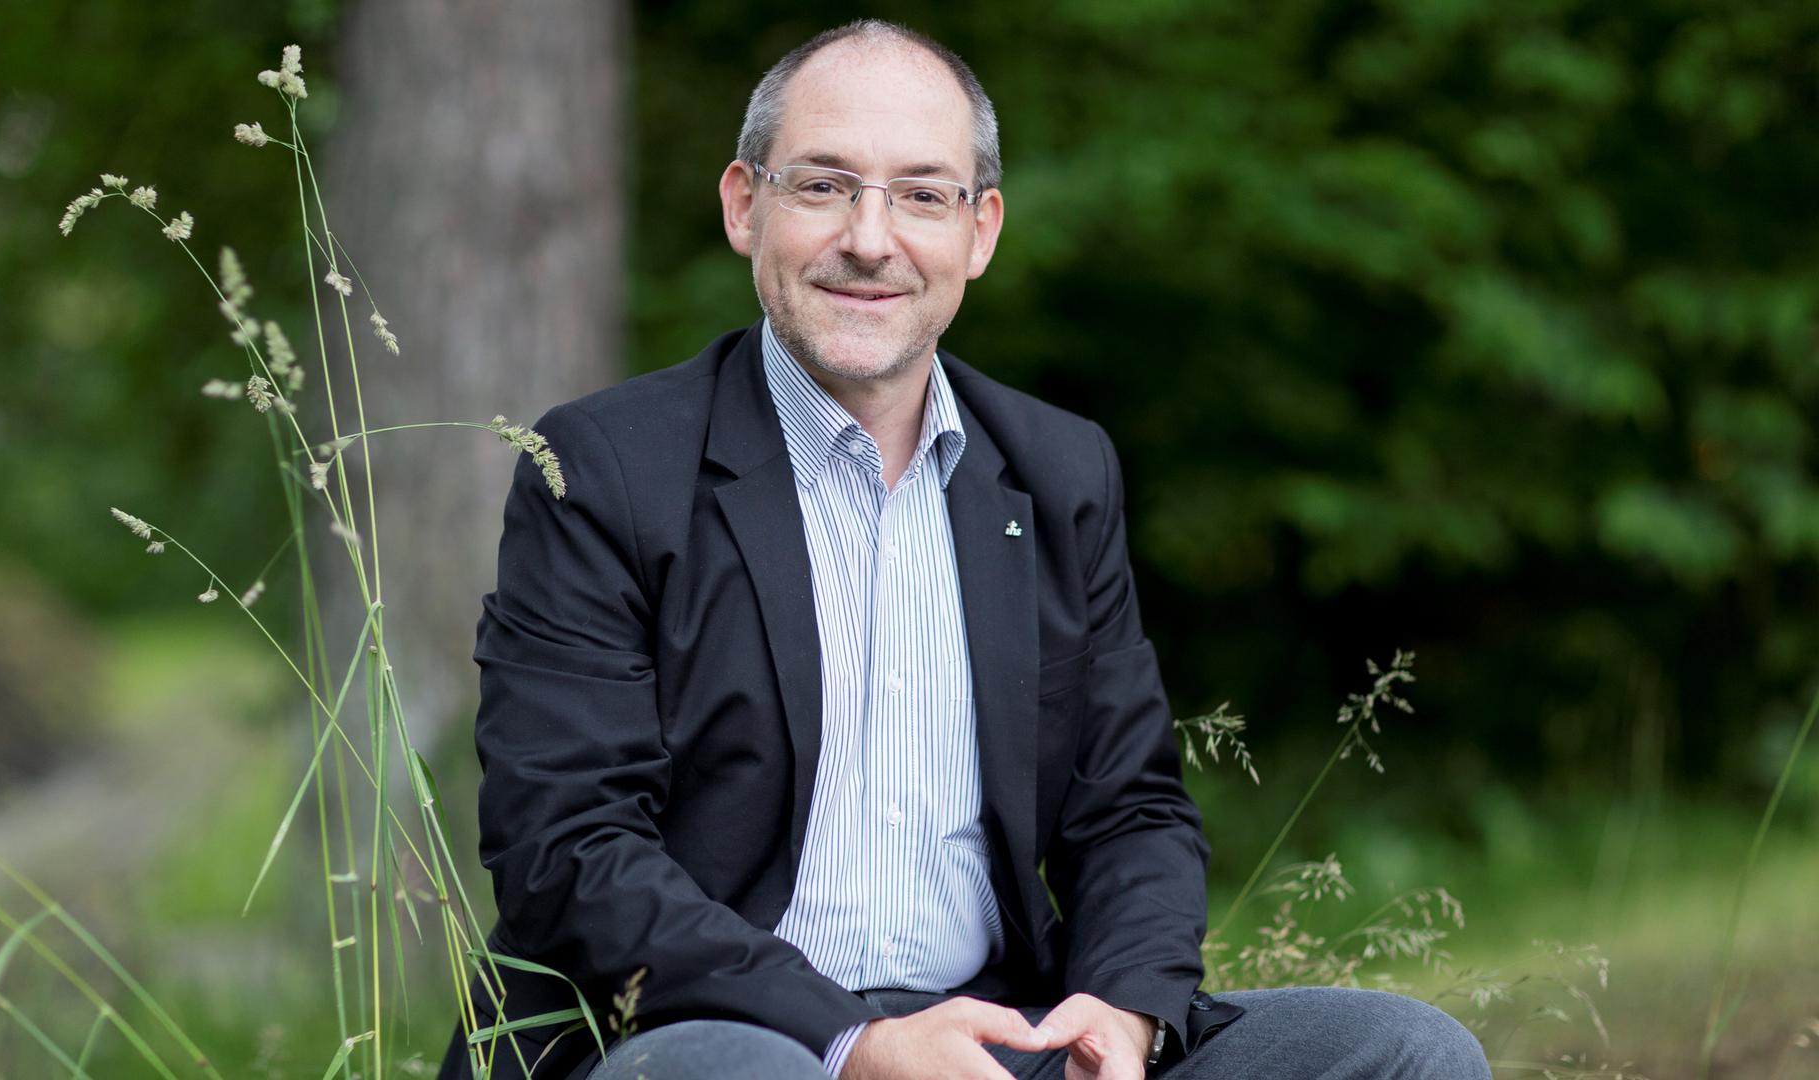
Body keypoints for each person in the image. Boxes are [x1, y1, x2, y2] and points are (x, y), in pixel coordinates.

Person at [438, 18, 1491, 1080]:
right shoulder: (605, 471)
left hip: (995, 1043)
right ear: (745, 206)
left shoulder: (1057, 472)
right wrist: (856, 1042)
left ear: (980, 231)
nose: (870, 238)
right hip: (710, 1034)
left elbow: (1130, 810)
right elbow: (568, 846)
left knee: (1408, 1054)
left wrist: (1123, 1013)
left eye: (922, 195)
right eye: (824, 186)